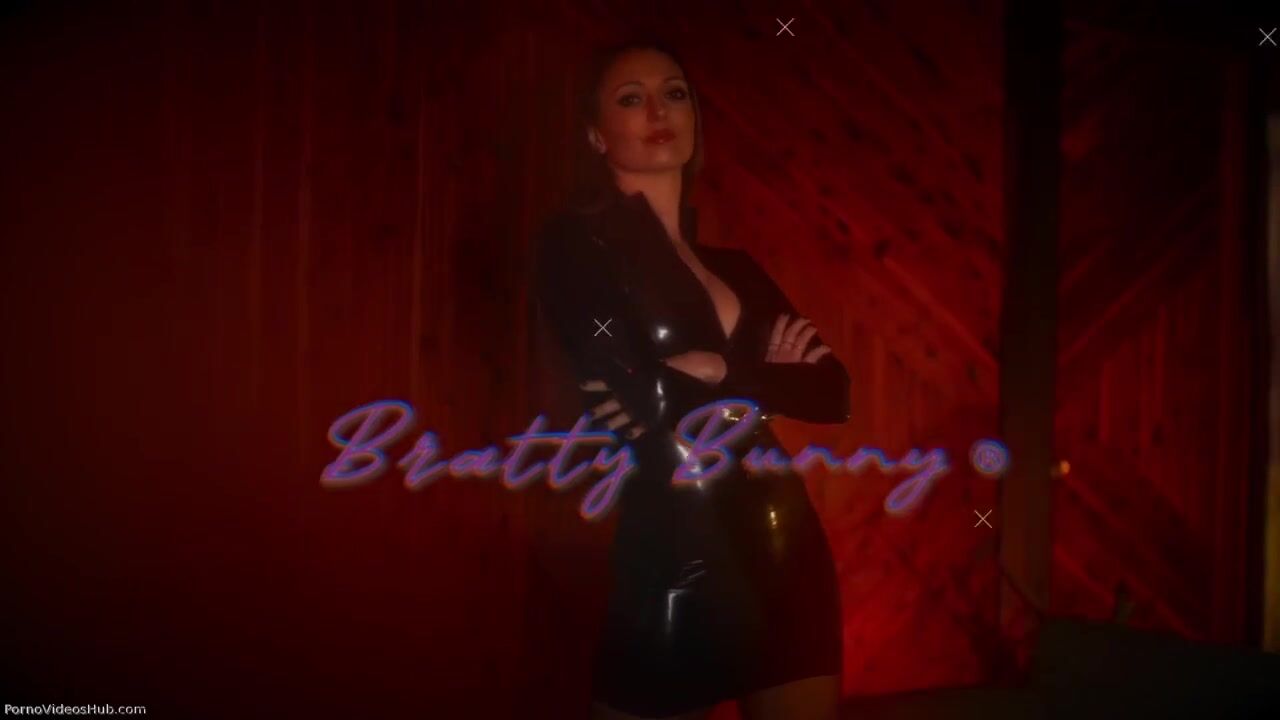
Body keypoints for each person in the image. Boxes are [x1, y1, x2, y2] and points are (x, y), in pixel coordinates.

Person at [533, 40, 852, 720]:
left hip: (782, 543)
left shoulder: (736, 268)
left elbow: (833, 392)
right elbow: (637, 395)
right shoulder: (575, 246)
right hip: (670, 550)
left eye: (674, 93)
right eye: (632, 98)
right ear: (595, 133)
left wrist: (722, 370)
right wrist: (761, 381)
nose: (659, 111)